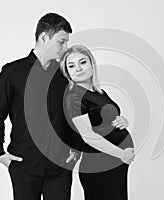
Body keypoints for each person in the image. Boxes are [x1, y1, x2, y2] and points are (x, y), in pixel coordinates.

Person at [0, 13, 80, 200]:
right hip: (24, 165)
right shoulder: (12, 73)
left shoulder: (64, 74)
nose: (66, 48)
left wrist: (76, 147)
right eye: (61, 41)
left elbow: (72, 114)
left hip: (60, 166)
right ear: (44, 37)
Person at [60, 45, 135, 200]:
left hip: (114, 164)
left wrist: (123, 121)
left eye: (83, 62)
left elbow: (107, 120)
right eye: (71, 66)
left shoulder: (99, 93)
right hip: (99, 166)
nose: (78, 68)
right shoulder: (74, 98)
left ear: (91, 64)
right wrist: (122, 154)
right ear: (67, 73)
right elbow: (88, 136)